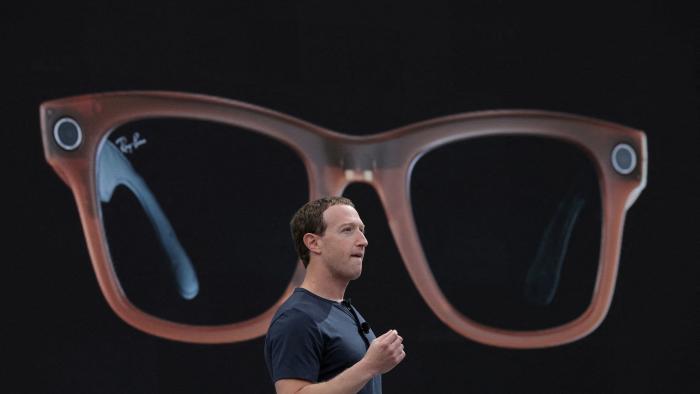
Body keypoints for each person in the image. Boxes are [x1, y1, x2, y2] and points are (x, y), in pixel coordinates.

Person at [264, 197, 405, 394]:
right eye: (347, 230)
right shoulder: (297, 317)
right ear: (313, 243)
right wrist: (369, 366)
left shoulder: (344, 311)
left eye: (362, 230)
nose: (363, 241)